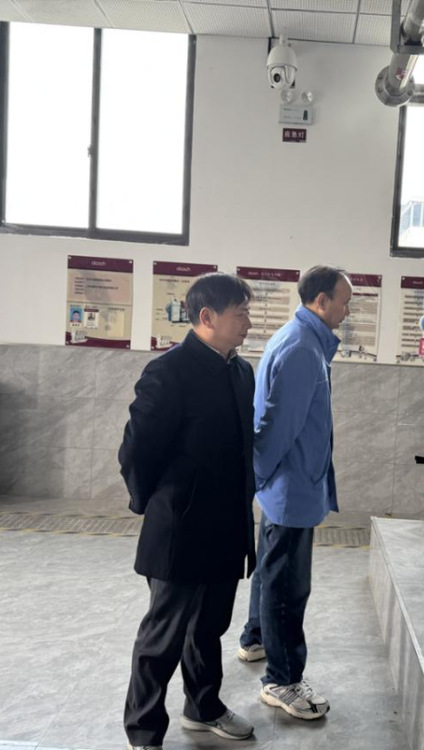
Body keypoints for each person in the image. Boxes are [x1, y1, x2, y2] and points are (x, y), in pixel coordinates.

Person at [119, 273, 257, 750]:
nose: (248, 323)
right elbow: (136, 451)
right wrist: (156, 505)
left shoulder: (241, 372)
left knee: (209, 628)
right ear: (207, 317)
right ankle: (143, 732)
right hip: (180, 526)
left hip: (227, 525)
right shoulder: (169, 372)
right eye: (240, 314)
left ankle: (204, 707)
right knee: (163, 636)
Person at [237, 265, 352, 721]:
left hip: (288, 484)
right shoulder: (303, 348)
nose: (347, 311)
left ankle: (256, 638)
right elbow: (277, 427)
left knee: (271, 570)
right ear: (320, 301)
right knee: (287, 585)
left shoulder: (301, 339)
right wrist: (262, 477)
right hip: (289, 487)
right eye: (343, 301)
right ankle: (282, 680)